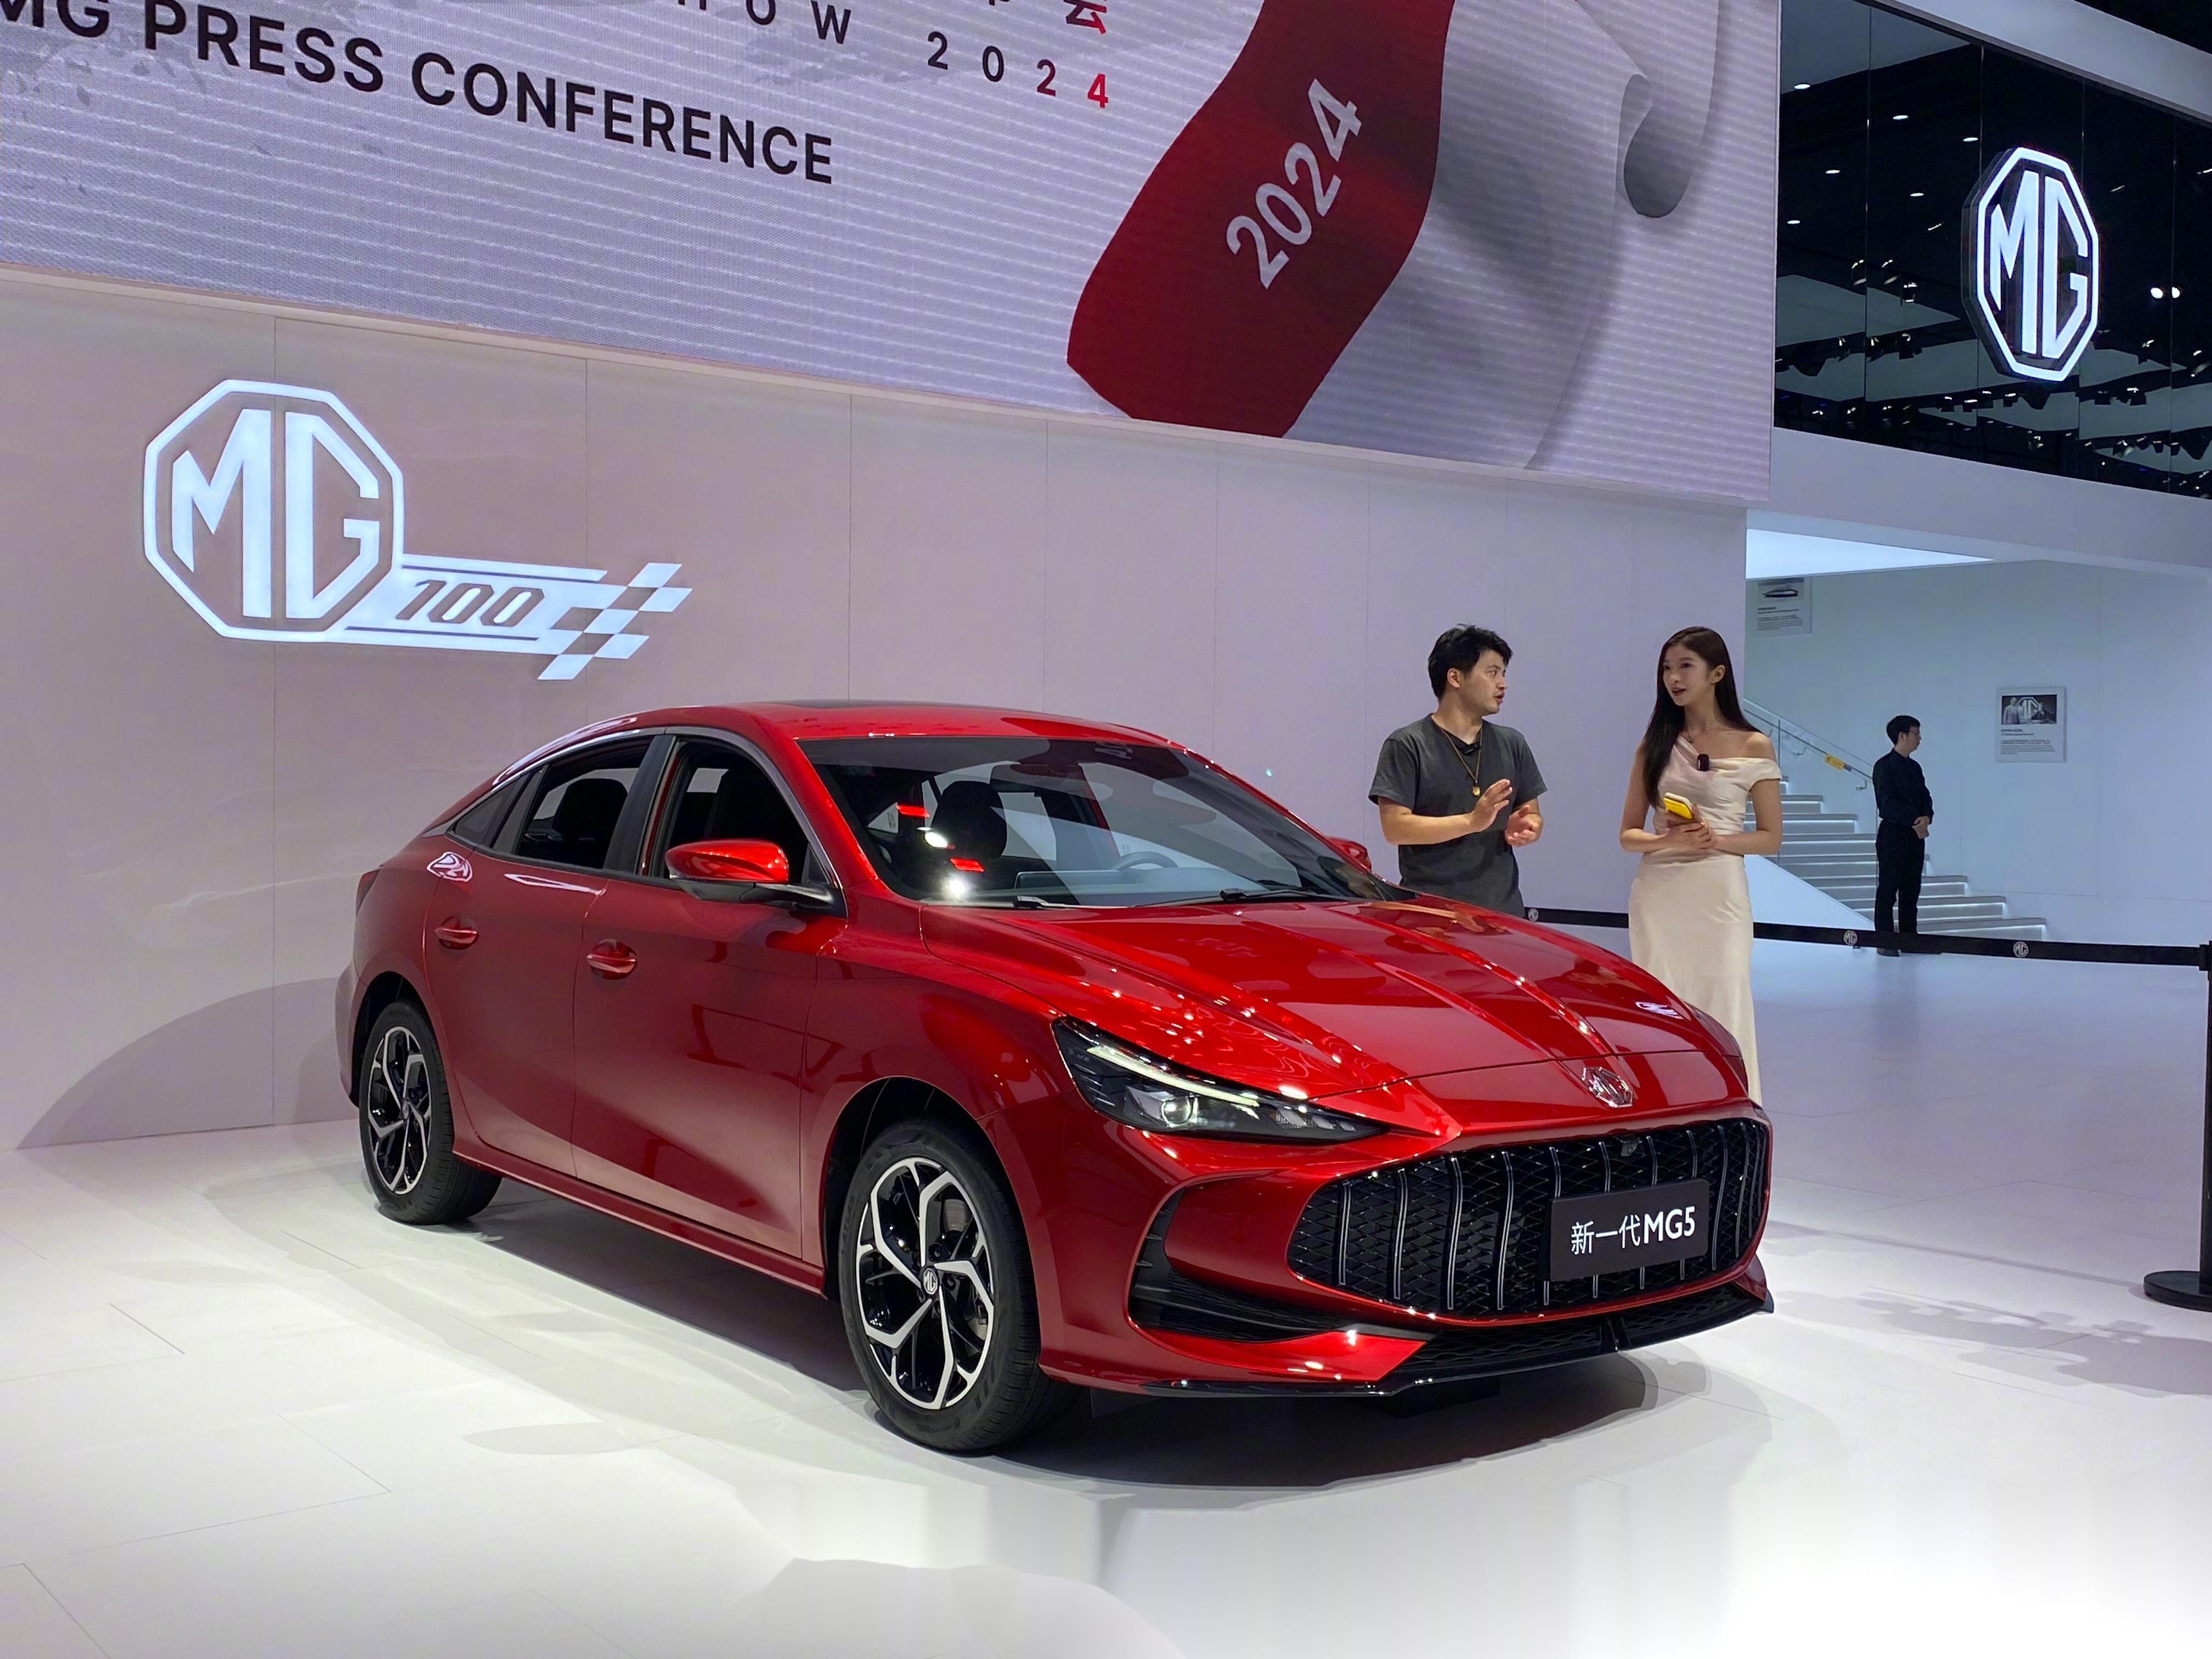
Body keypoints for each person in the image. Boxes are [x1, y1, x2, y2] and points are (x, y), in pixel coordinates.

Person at [1618, 627, 1782, 1100]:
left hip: (1718, 893)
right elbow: (1628, 835)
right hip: (1659, 892)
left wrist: (1716, 840)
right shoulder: (1654, 745)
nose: (1674, 678)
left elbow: (1770, 838)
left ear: (1717, 673)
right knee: (1662, 1004)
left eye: (1685, 666)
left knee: (1724, 998)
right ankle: (1667, 1108)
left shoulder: (1754, 745)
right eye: (1667, 669)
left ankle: (1732, 1109)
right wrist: (1666, 840)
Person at [1370, 624, 1546, 915]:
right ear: (1455, 678)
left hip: (1503, 914)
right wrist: (1471, 822)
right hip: (1431, 915)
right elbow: (1395, 828)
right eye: (1492, 673)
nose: (1503, 684)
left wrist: (1528, 827)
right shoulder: (1407, 744)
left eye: (1504, 674)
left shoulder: (1512, 743)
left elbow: (1532, 813)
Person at [1871, 714, 1932, 955]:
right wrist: (1914, 820)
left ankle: (1909, 938)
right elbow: (1886, 804)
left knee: (1911, 888)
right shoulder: (1884, 766)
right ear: (1902, 736)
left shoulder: (1915, 767)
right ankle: (1884, 940)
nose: (1919, 738)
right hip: (1893, 835)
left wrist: (1926, 817)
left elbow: (1925, 796)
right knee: (1889, 887)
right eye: (1916, 733)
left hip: (1915, 836)